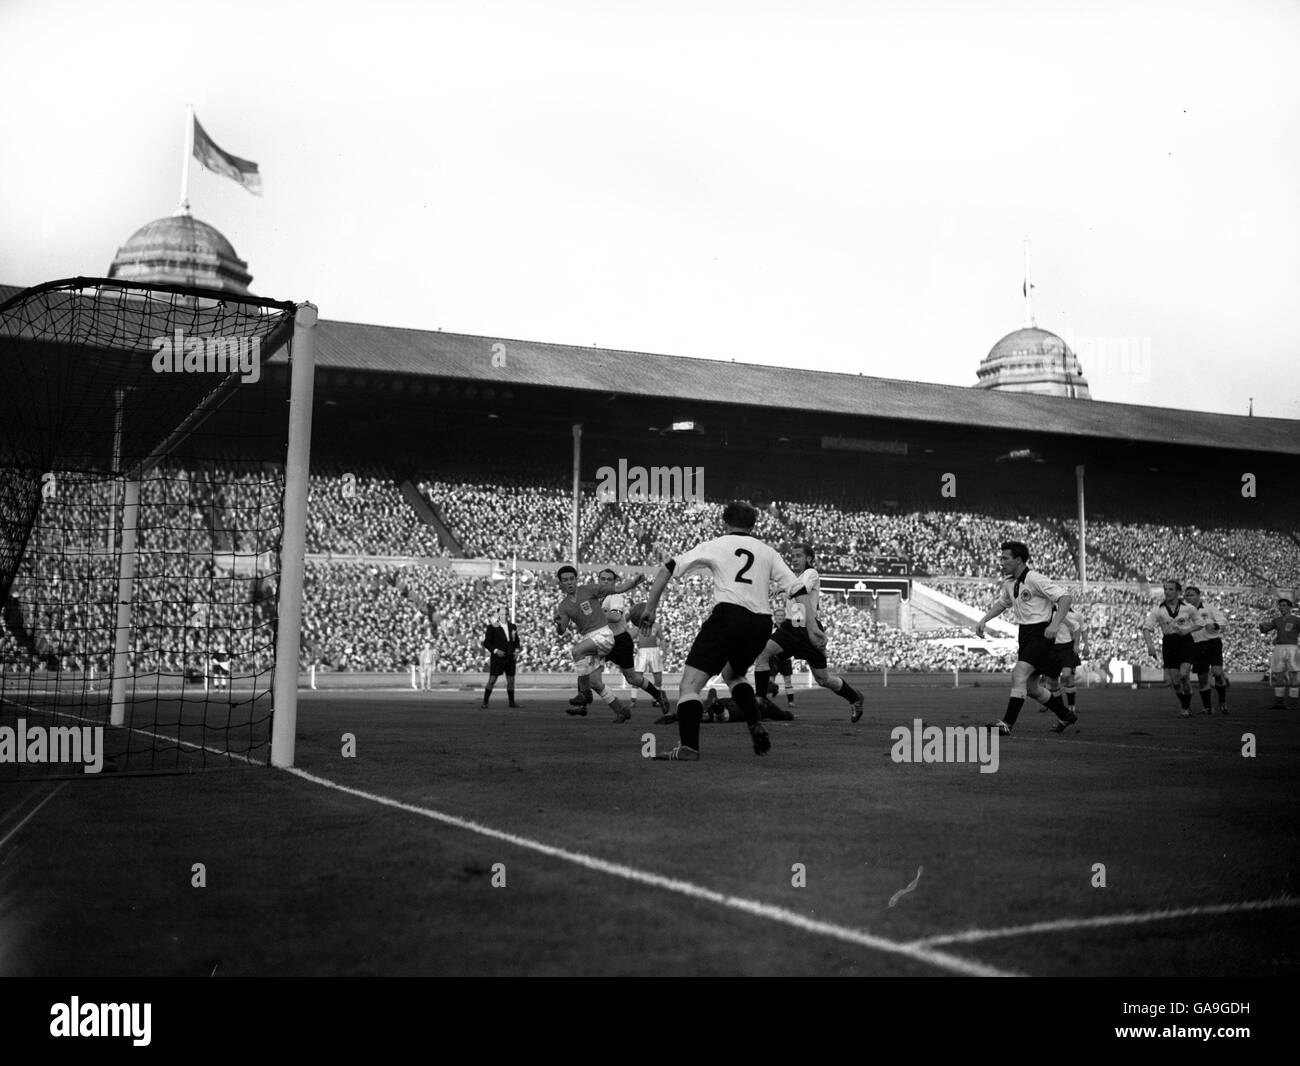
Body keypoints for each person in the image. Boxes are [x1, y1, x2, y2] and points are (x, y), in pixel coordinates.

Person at [639, 501, 807, 761]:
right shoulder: (768, 552)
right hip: (761, 622)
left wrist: (651, 607)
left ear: (725, 523)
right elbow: (797, 589)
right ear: (753, 525)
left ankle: (688, 748)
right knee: (733, 674)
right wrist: (807, 623)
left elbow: (667, 569)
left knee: (690, 686)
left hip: (729, 615)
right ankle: (753, 722)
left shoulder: (716, 544)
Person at [974, 541, 1077, 735]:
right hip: (1025, 634)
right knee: (1031, 687)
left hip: (1041, 633)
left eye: (1005, 558)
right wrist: (984, 619)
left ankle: (1007, 724)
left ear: (1019, 559)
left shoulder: (1035, 578)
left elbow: (1065, 598)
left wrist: (1055, 624)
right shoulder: (1009, 583)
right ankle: (1065, 714)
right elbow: (1003, 604)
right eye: (1001, 558)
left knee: (1018, 675)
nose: (1001, 562)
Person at [753, 544, 864, 723]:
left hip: (808, 630)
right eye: (793, 556)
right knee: (763, 653)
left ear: (809, 559)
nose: (795, 559)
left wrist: (782, 588)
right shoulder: (794, 577)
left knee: (823, 679)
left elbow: (800, 589)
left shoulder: (812, 574)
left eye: (799, 556)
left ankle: (855, 698)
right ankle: (760, 702)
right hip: (790, 627)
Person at [554, 566, 644, 721]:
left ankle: (584, 693)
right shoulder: (563, 606)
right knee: (595, 682)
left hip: (604, 634)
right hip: (591, 639)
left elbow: (618, 588)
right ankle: (621, 711)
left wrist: (633, 583)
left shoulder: (589, 590)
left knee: (576, 651)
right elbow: (562, 630)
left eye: (571, 579)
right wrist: (558, 625)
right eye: (565, 580)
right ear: (560, 583)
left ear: (576, 579)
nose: (569, 582)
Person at [597, 569, 671, 715]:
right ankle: (584, 702)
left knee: (633, 678)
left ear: (614, 582)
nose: (605, 582)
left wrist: (594, 615)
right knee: (589, 669)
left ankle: (658, 695)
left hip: (618, 641)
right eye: (603, 579)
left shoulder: (615, 595)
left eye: (609, 579)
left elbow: (615, 617)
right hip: (604, 640)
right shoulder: (595, 597)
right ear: (598, 580)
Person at [1141, 580, 1198, 717]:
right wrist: (1150, 646)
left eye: (1171, 589)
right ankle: (1186, 703)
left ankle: (1185, 707)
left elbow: (1200, 623)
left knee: (1184, 675)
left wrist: (1188, 630)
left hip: (1185, 641)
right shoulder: (1158, 610)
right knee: (1175, 681)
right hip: (1169, 642)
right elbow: (1146, 628)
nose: (1167, 592)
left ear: (1178, 592)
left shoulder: (1188, 608)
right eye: (1166, 589)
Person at [1184, 586, 1229, 714]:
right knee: (1202, 679)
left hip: (1212, 643)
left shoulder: (1209, 608)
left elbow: (1224, 621)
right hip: (1196, 646)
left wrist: (1214, 625)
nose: (1188, 598)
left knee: (1217, 673)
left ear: (1199, 596)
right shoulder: (1184, 612)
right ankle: (1208, 707)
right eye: (1186, 595)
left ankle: (1222, 701)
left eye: (1191, 595)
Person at [1259, 597, 1300, 709]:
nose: (1282, 608)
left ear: (1290, 607)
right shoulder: (1276, 620)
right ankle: (1279, 703)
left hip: (1292, 648)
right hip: (1279, 648)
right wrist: (1262, 626)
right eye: (1280, 606)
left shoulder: (1296, 620)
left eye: (1284, 605)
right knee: (1278, 675)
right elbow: (1265, 629)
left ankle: (1293, 704)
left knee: (1293, 675)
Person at [481, 608, 520, 709]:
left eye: (506, 614)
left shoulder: (512, 626)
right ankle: (485, 702)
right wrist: (496, 651)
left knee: (511, 680)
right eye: (502, 614)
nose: (504, 616)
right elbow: (486, 643)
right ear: (498, 615)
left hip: (510, 658)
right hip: (498, 658)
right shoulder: (492, 627)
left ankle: (511, 702)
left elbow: (517, 641)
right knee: (492, 680)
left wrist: (516, 651)